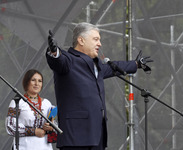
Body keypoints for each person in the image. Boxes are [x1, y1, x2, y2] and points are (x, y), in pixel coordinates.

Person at [46, 22, 153, 150]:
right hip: (75, 138)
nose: (99, 44)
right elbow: (58, 61)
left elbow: (116, 67)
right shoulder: (68, 59)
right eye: (96, 39)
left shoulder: (96, 66)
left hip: (97, 137)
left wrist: (136, 64)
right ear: (81, 40)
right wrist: (54, 52)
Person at [5, 69, 57, 150]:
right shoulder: (17, 102)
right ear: (27, 82)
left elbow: (54, 125)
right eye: (33, 80)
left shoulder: (47, 103)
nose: (37, 84)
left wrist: (51, 127)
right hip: (24, 146)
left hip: (45, 147)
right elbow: (10, 127)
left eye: (40, 81)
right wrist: (34, 131)